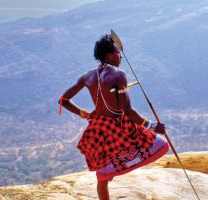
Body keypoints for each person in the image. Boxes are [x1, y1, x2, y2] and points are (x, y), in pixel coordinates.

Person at [58, 34, 169, 200]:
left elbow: (63, 100)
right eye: (118, 53)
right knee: (162, 146)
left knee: (103, 178)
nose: (121, 56)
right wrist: (153, 126)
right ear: (109, 55)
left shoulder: (87, 76)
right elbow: (129, 111)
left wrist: (84, 114)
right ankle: (114, 168)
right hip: (121, 126)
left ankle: (108, 171)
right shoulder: (118, 75)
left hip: (99, 129)